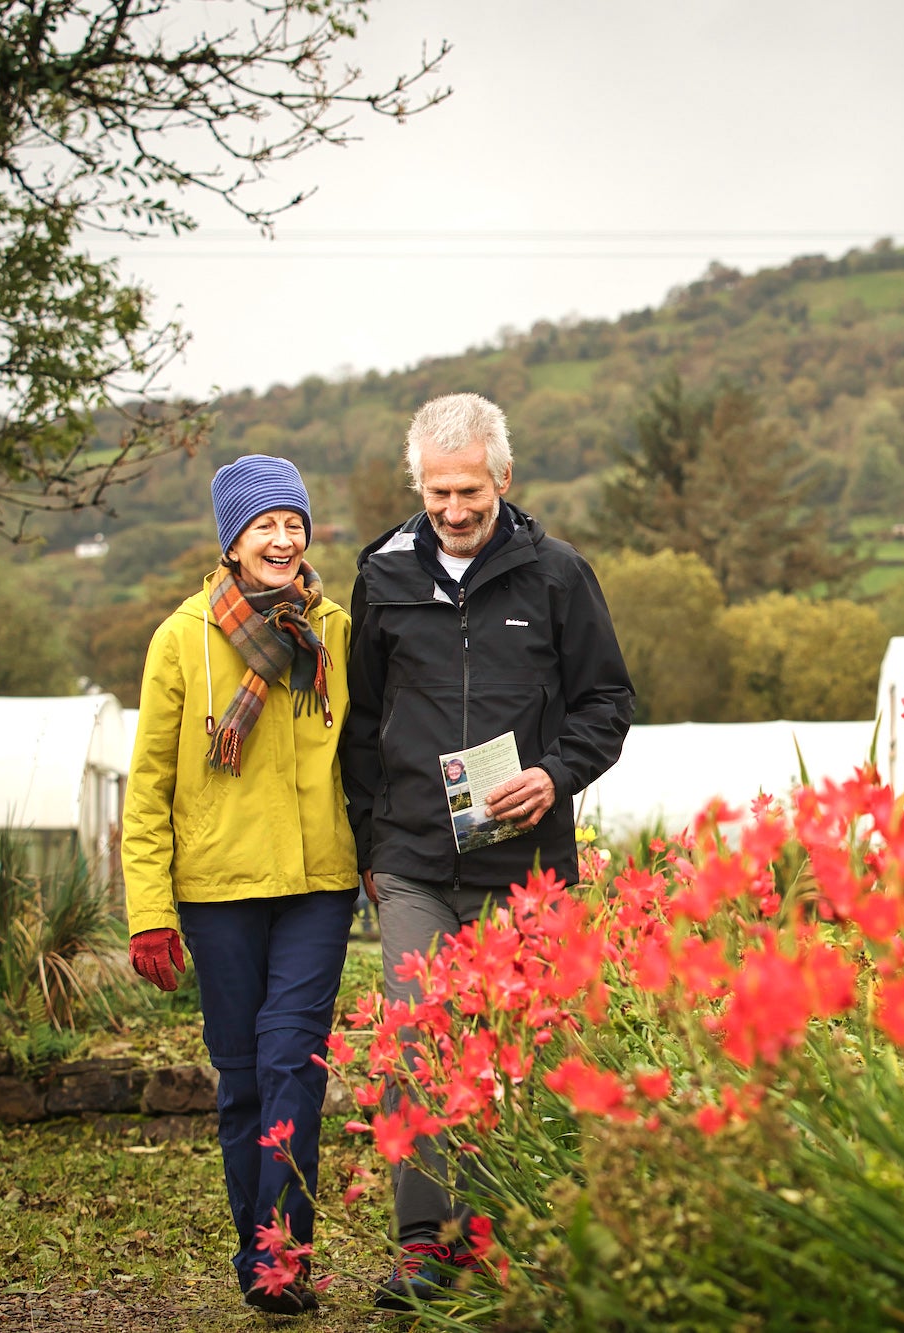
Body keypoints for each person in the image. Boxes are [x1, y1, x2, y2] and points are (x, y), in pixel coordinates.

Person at [341, 393, 633, 1307]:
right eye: (437, 494)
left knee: (521, 1046)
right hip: (416, 858)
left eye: (469, 490)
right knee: (417, 1036)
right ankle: (422, 1242)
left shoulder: (557, 576)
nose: (454, 510)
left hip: (527, 871)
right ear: (417, 486)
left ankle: (501, 1232)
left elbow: (606, 705)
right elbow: (359, 723)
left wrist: (555, 774)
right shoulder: (381, 577)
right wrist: (369, 840)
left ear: (504, 479)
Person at [123, 454, 357, 1316]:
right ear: (232, 540)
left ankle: (279, 1259)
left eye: (294, 522)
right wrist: (150, 911)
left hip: (317, 883)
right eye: (265, 524)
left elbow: (362, 746)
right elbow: (147, 787)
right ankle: (257, 1242)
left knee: (292, 1062)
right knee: (243, 1080)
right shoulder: (183, 636)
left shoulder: (332, 627)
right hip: (218, 890)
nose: (284, 538)